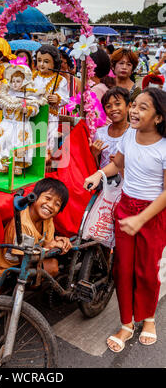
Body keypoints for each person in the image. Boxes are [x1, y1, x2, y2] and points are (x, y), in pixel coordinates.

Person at [84, 88, 166, 352]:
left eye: (143, 108)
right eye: (135, 105)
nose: (134, 111)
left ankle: (149, 318)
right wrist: (99, 173)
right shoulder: (129, 135)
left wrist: (141, 219)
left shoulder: (164, 147)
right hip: (125, 207)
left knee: (146, 270)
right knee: (122, 269)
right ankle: (126, 323)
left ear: (158, 118)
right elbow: (117, 164)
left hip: (152, 213)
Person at [0, 177, 72, 279]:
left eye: (57, 204)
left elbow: (47, 243)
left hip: (23, 260)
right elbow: (25, 261)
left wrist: (58, 241)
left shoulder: (47, 219)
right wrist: (51, 246)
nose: (51, 205)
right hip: (5, 271)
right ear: (35, 197)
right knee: (52, 266)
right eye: (47, 198)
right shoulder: (23, 223)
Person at [0, 64, 46, 176]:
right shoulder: (6, 93)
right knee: (2, 142)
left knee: (18, 143)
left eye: (18, 81)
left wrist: (28, 110)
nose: (14, 84)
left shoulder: (29, 94)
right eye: (13, 81)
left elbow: (35, 106)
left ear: (24, 81)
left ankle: (18, 165)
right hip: (6, 124)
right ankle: (4, 163)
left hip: (20, 125)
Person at [32, 44, 69, 158]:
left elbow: (66, 98)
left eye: (46, 61)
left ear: (55, 63)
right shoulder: (32, 77)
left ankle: (46, 163)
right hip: (33, 114)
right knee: (33, 137)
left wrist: (57, 98)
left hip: (50, 116)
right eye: (39, 60)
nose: (41, 64)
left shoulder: (60, 79)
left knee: (49, 140)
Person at [91, 87, 130, 169]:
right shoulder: (100, 134)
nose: (113, 109)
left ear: (128, 106)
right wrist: (94, 154)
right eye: (108, 106)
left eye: (118, 104)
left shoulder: (135, 133)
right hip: (104, 180)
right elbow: (96, 167)